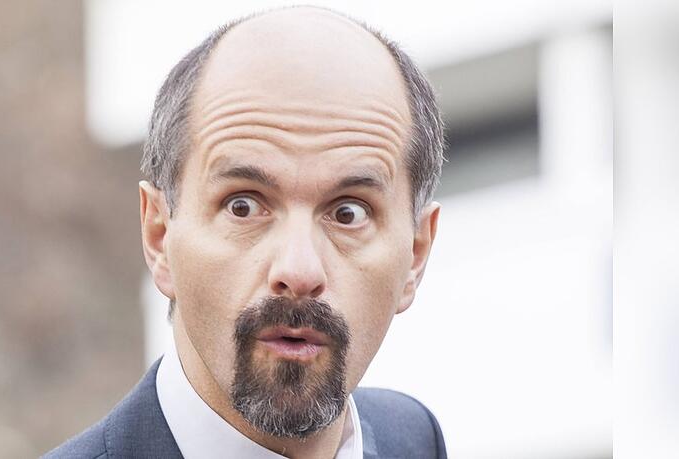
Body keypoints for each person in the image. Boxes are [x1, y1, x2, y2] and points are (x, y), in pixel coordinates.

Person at [45, 5, 445, 459]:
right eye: (243, 206)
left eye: (349, 213)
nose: (298, 271)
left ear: (416, 254)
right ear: (159, 235)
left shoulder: (412, 440)